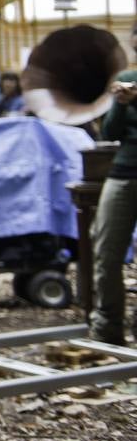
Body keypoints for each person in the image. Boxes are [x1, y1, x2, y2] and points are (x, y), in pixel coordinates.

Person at [89, 23, 137, 345]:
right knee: (105, 251)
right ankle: (108, 328)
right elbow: (109, 135)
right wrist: (120, 105)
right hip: (123, 173)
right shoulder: (128, 80)